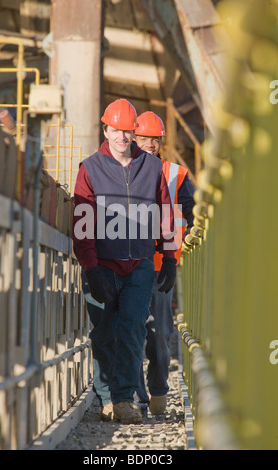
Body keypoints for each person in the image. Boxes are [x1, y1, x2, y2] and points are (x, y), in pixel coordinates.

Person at [72, 99, 178, 425]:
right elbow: (82, 223)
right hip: (101, 265)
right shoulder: (89, 169)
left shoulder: (152, 167)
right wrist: (91, 267)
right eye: (116, 131)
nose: (122, 137)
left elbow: (165, 213)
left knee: (132, 330)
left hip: (139, 266)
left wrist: (170, 257)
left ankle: (122, 399)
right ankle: (105, 397)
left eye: (127, 132)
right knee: (104, 334)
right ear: (106, 130)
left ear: (134, 132)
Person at [134, 111, 195, 415]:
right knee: (130, 330)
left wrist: (188, 239)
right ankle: (136, 398)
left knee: (160, 333)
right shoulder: (119, 171)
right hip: (127, 263)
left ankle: (157, 393)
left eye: (154, 139)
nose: (149, 144)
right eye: (142, 138)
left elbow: (193, 213)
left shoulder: (176, 174)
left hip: (161, 265)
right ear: (132, 138)